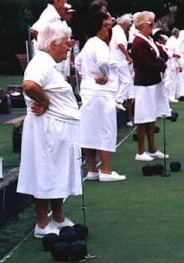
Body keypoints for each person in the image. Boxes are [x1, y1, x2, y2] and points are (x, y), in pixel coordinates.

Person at [17, 23, 82, 238]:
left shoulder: (49, 63)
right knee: (46, 172)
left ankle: (58, 217)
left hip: (58, 130)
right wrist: (45, 102)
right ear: (53, 44)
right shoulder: (41, 62)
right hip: (47, 130)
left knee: (57, 172)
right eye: (65, 44)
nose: (68, 48)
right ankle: (42, 224)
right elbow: (29, 85)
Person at [75, 12, 126, 182]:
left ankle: (92, 170)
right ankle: (105, 170)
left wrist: (88, 77)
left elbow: (78, 63)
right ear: (97, 27)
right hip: (102, 94)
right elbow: (103, 62)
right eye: (105, 26)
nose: (108, 30)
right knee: (105, 131)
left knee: (89, 130)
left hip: (89, 92)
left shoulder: (88, 44)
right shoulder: (100, 45)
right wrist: (103, 75)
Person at [131, 11, 171, 162]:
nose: (153, 26)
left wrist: (161, 59)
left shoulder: (148, 39)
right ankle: (140, 151)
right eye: (151, 24)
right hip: (144, 84)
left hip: (153, 82)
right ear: (142, 25)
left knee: (151, 116)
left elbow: (161, 54)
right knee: (143, 117)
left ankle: (152, 148)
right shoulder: (138, 42)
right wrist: (160, 65)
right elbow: (144, 64)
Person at [109, 14, 135, 125]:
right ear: (124, 23)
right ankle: (118, 100)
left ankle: (119, 101)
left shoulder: (117, 30)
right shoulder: (119, 31)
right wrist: (127, 56)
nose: (129, 26)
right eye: (129, 24)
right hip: (119, 60)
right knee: (127, 81)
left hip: (118, 60)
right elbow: (120, 44)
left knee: (122, 82)